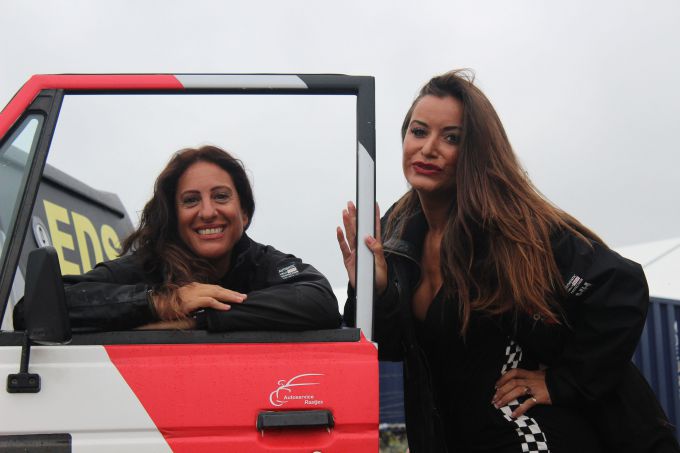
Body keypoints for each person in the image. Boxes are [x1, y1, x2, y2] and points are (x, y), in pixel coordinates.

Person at [338, 70, 679, 452]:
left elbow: (620, 286)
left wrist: (563, 382)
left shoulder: (510, 226)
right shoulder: (396, 232)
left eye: (452, 138)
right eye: (419, 132)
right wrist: (376, 289)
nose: (429, 148)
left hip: (527, 434)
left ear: (475, 150)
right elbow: (388, 348)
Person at [16, 145, 341, 332]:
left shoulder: (265, 262)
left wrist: (197, 317)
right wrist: (161, 302)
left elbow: (319, 300)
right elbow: (32, 308)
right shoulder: (145, 266)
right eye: (191, 200)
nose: (208, 212)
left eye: (221, 196)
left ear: (243, 213)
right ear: (172, 216)